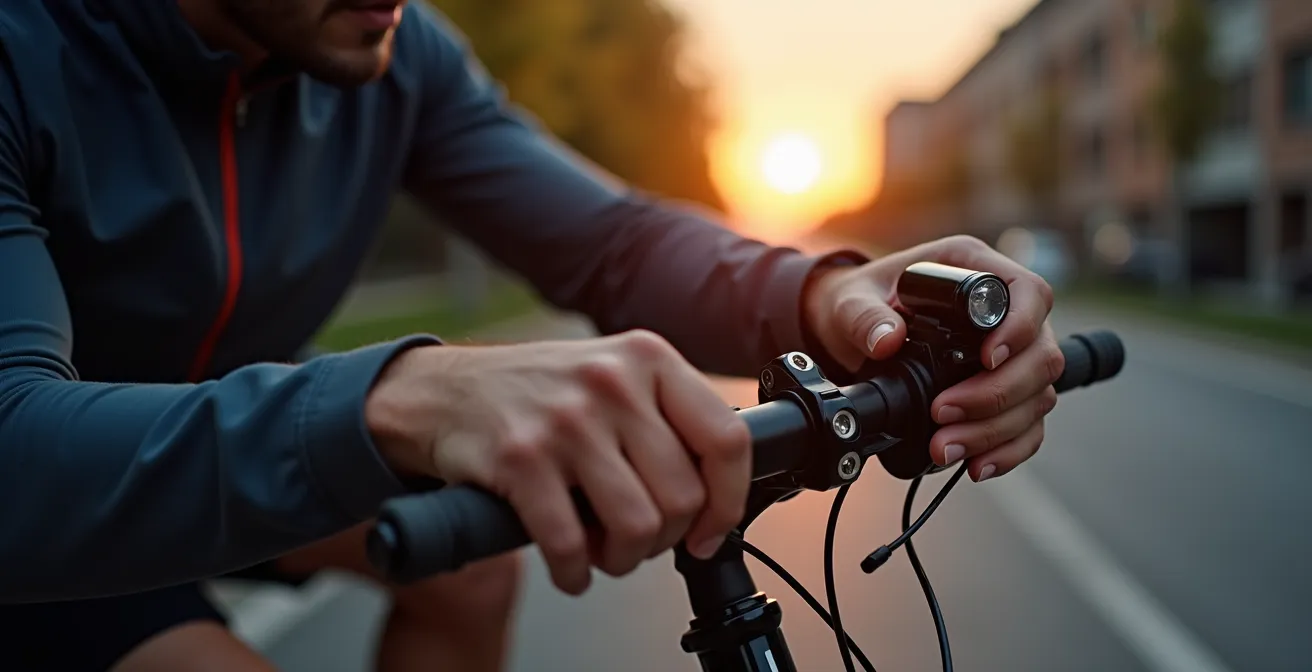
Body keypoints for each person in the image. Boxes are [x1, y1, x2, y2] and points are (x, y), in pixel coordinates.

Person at [0, 0, 1065, 669]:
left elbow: (609, 244)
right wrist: (400, 399)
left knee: (466, 567)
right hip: (35, 511)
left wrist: (825, 296)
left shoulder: (392, 49)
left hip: (198, 448)